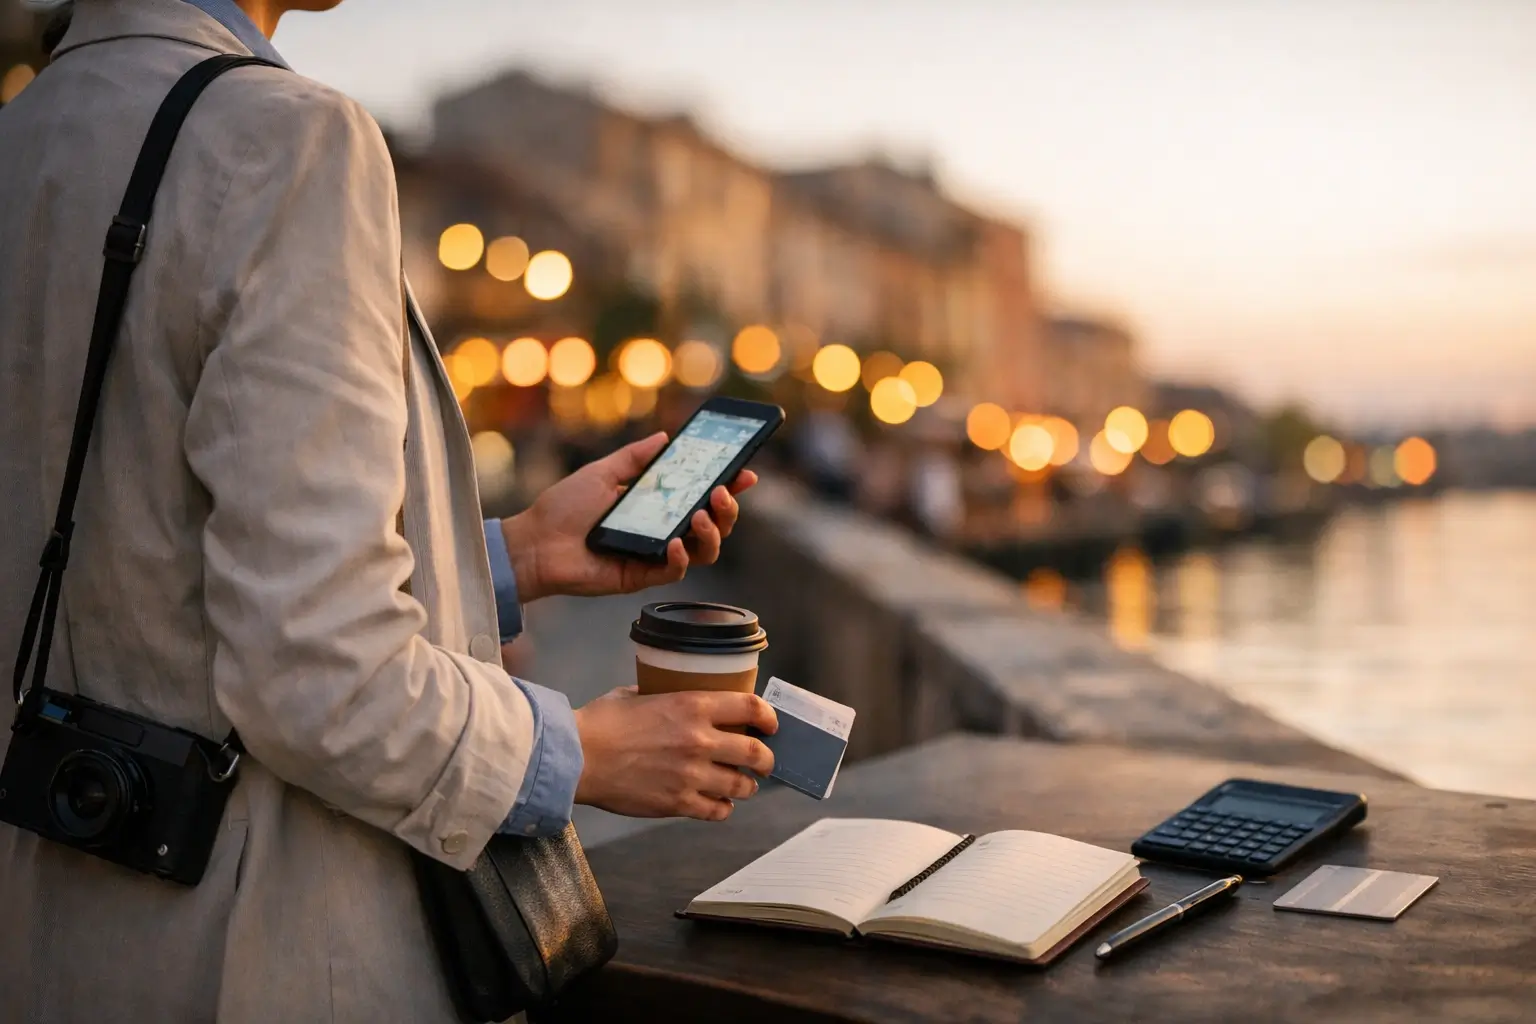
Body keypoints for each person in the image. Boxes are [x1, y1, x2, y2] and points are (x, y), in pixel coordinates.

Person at [0, 1, 777, 1020]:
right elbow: (321, 673)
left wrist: (515, 556)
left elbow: (135, 544)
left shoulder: (29, 132)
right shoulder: (285, 139)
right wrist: (583, 750)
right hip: (254, 958)